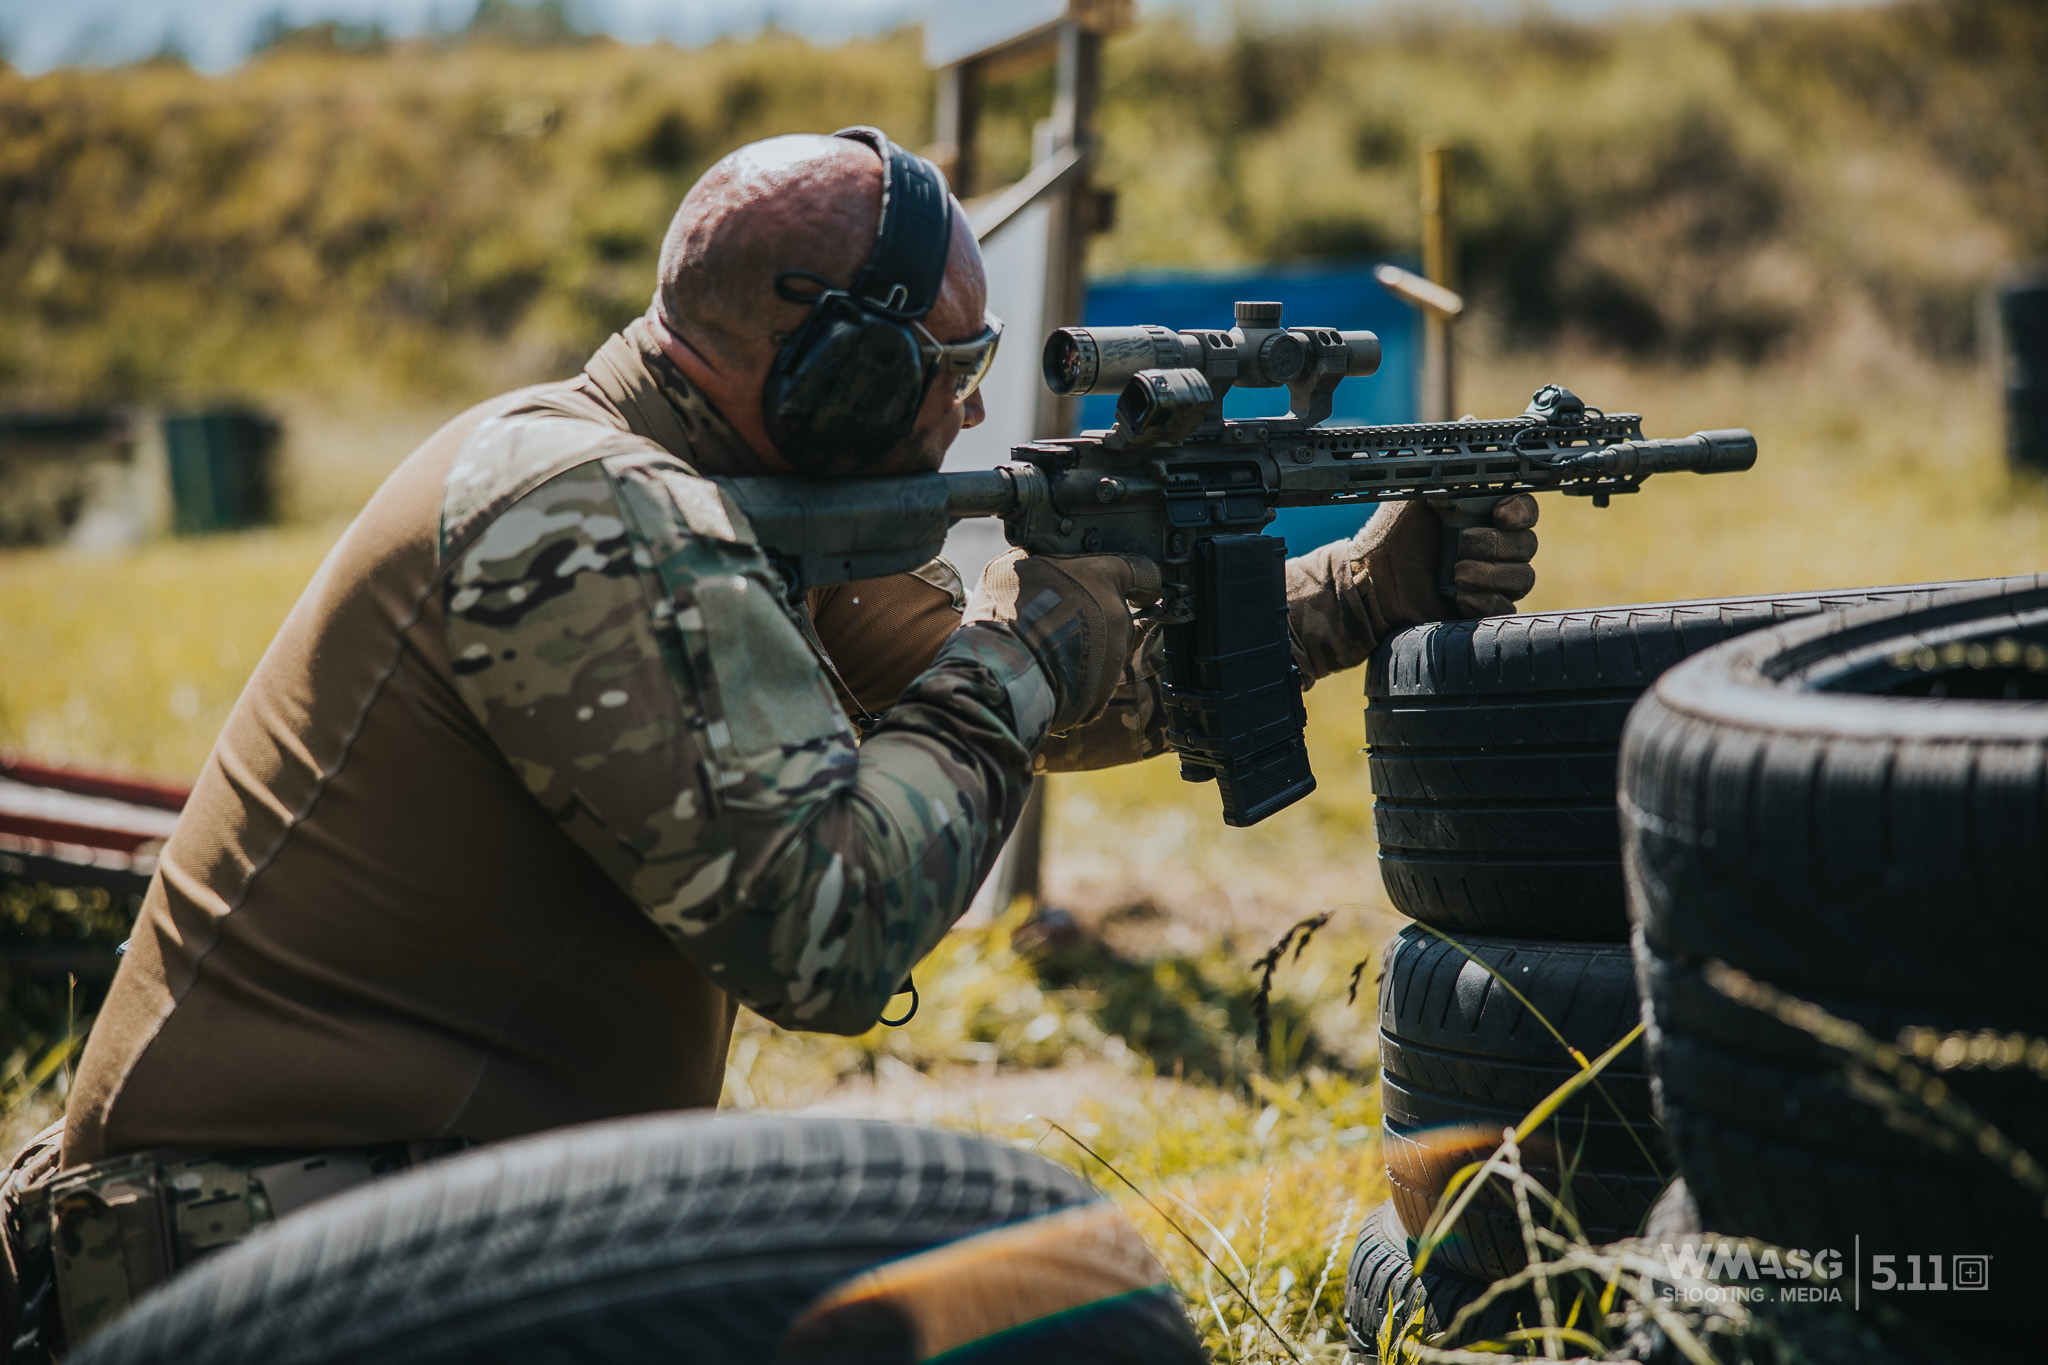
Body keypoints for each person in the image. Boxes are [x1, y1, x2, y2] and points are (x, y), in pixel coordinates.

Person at [2, 127, 1538, 1348]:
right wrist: (1028, 639)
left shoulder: (715, 502)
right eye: (946, 377)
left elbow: (1022, 711)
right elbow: (832, 929)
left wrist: (1349, 589)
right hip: (250, 1269)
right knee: (1012, 1293)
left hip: (380, 1215)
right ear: (834, 372)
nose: (968, 414)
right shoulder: (588, 517)